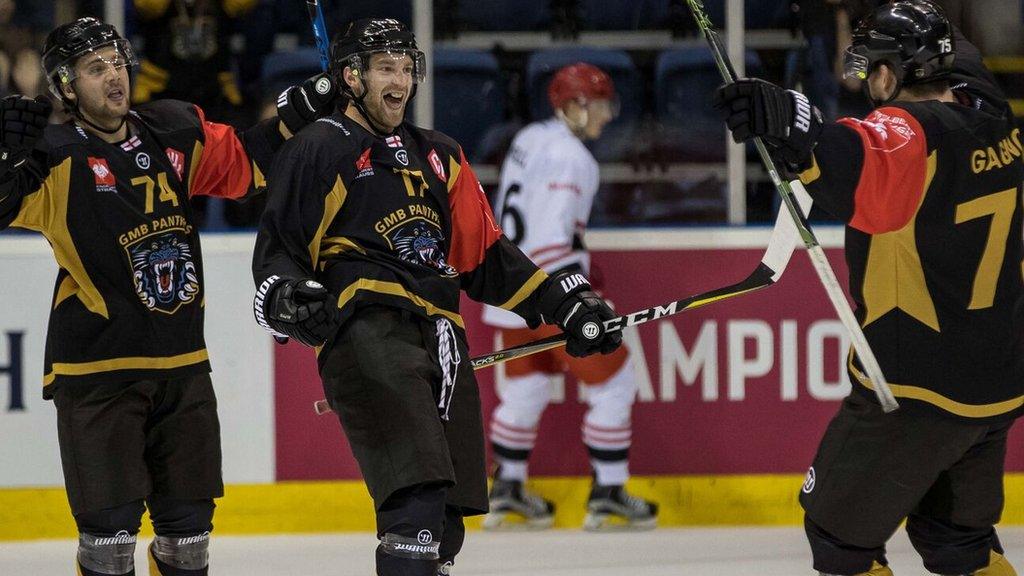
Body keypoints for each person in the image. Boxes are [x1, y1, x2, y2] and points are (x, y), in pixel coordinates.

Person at [251, 18, 623, 576]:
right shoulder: (319, 147)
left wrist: (562, 301)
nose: (400, 81)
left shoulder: (439, 154)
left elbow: (485, 257)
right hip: (370, 331)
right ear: (350, 77)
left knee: (444, 525)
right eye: (385, 68)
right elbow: (280, 251)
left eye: (407, 68)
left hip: (444, 340)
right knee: (416, 504)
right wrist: (284, 297)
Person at [0, 16, 334, 576]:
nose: (114, 76)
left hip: (182, 365)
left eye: (116, 62)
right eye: (94, 68)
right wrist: (5, 162)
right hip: (98, 373)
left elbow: (247, 163)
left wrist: (305, 106)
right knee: (108, 543)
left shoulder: (172, 129)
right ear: (66, 87)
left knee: (189, 540)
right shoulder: (53, 154)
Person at [714, 1, 1022, 575]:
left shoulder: (909, 135)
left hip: (913, 389)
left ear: (888, 75)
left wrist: (789, 117)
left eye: (868, 69)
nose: (862, 81)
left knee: (838, 540)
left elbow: (858, 153)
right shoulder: (993, 110)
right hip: (998, 381)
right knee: (958, 543)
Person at [480, 62, 657, 532]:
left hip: (508, 292)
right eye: (600, 105)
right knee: (615, 382)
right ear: (576, 105)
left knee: (528, 387)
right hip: (549, 295)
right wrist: (575, 296)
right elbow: (551, 240)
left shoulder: (529, 138)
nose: (608, 115)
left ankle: (507, 487)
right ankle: (609, 492)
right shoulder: (574, 158)